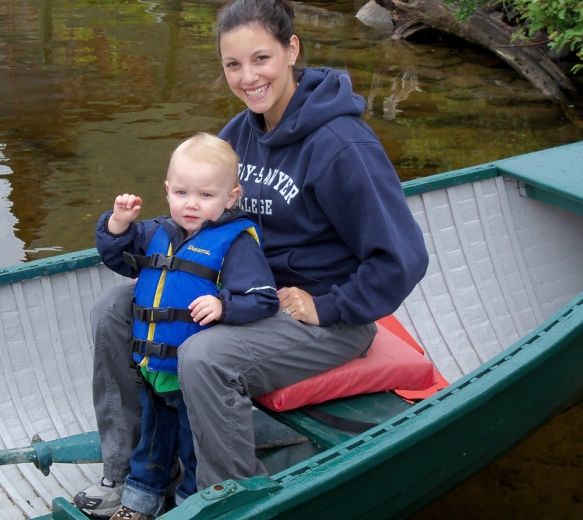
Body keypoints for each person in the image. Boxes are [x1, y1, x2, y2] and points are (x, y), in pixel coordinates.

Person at [73, 0, 429, 516]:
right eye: (233, 64)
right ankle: (134, 472)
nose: (248, 77)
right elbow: (200, 219)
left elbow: (403, 257)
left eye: (261, 58)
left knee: (204, 357)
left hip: (323, 318)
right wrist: (132, 239)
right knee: (112, 310)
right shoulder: (240, 133)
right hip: (237, 294)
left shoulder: (341, 145)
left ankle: (229, 499)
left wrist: (329, 306)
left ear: (292, 50)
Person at [93, 132, 280, 520]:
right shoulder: (155, 233)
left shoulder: (235, 243)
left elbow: (263, 298)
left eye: (206, 196)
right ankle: (141, 500)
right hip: (154, 369)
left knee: (195, 445)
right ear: (167, 190)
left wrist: (224, 304)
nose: (191, 204)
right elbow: (117, 256)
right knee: (153, 440)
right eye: (181, 193)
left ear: (231, 198)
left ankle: (189, 506)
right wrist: (117, 224)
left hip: (195, 377)